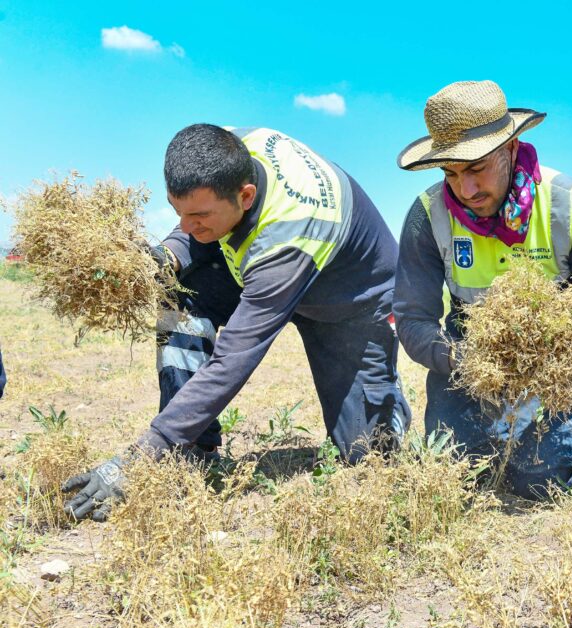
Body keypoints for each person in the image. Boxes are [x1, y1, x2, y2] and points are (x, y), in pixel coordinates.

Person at [62, 125, 410, 521]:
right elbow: (194, 218)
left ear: (246, 196)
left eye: (199, 216)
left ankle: (385, 396)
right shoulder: (227, 146)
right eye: (180, 213)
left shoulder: (288, 233)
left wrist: (143, 454)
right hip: (256, 264)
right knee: (180, 295)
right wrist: (169, 254)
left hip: (348, 300)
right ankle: (191, 448)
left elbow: (233, 361)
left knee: (366, 453)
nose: (188, 224)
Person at [393, 81, 572, 500]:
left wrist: (542, 364)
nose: (465, 190)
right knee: (455, 472)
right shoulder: (428, 216)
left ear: (512, 146)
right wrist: (468, 363)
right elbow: (412, 321)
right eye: (451, 172)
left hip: (558, 371)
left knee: (546, 481)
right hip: (470, 366)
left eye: (477, 168)